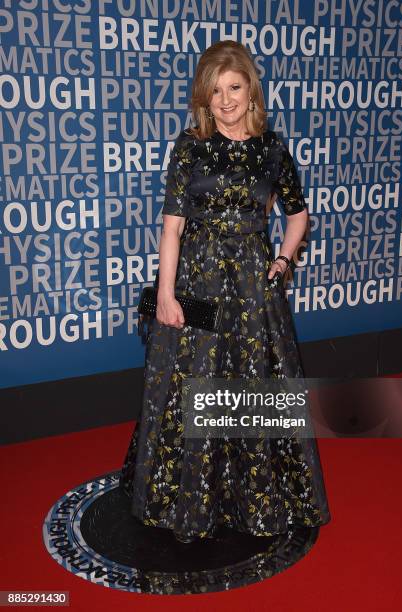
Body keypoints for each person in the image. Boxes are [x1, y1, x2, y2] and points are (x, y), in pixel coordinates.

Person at [119, 40, 331, 544]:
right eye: (215, 91)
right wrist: (165, 294)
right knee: (192, 385)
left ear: (250, 89)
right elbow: (170, 228)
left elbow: (297, 214)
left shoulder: (272, 149)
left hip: (255, 289)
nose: (226, 99)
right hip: (198, 281)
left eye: (234, 87)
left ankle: (255, 497)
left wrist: (282, 259)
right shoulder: (189, 145)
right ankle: (191, 501)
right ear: (203, 97)